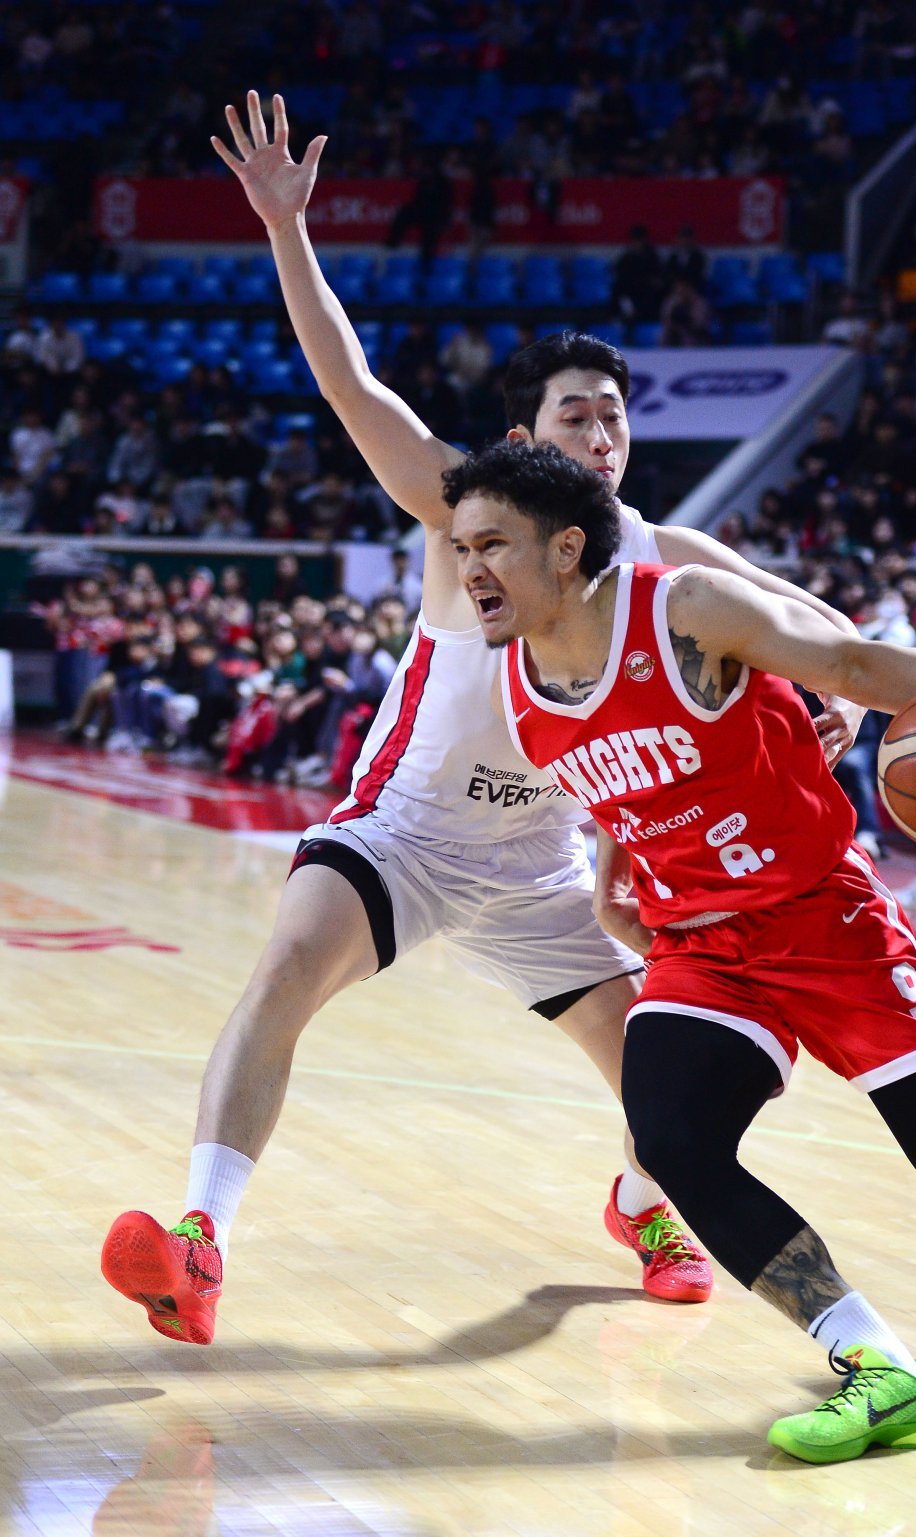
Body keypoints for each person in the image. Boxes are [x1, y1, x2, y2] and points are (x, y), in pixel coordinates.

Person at [101, 91, 868, 1346]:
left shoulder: (666, 556)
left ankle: (641, 1206)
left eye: (614, 413)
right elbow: (350, 383)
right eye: (577, 414)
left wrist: (843, 701)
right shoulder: (462, 507)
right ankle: (200, 1239)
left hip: (545, 868)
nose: (603, 432)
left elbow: (817, 625)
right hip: (404, 834)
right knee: (285, 970)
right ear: (526, 436)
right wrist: (287, 229)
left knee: (682, 1080)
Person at [445, 437, 916, 1464]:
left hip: (825, 919)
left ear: (565, 548)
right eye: (461, 547)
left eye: (492, 545)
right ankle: (879, 1366)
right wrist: (613, 872)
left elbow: (852, 665)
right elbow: (622, 781)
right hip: (702, 942)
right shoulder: (518, 690)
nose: (470, 567)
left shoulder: (685, 609)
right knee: (671, 1137)